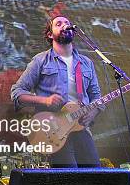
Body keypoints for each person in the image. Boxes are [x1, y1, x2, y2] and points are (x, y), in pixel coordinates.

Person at [10, 15, 104, 168]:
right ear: (50, 34)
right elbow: (17, 92)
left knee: (94, 174)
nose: (64, 25)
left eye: (67, 23)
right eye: (59, 24)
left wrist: (94, 111)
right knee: (68, 177)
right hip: (53, 130)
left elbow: (96, 96)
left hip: (80, 127)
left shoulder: (86, 63)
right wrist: (44, 100)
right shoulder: (40, 60)